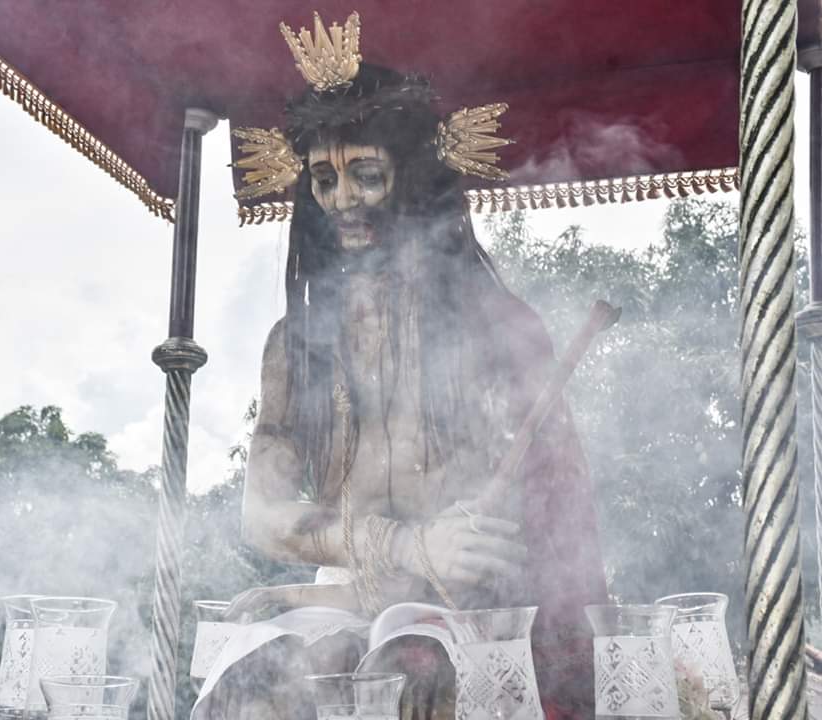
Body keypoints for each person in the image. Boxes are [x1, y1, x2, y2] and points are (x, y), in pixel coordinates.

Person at [193, 13, 607, 720]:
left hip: (474, 612)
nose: (342, 200)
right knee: (259, 681)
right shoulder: (292, 346)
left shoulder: (496, 330)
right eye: (323, 179)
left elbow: (541, 523)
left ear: (413, 181)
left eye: (366, 174)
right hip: (351, 595)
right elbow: (261, 517)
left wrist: (455, 559)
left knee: (405, 673)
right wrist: (398, 549)